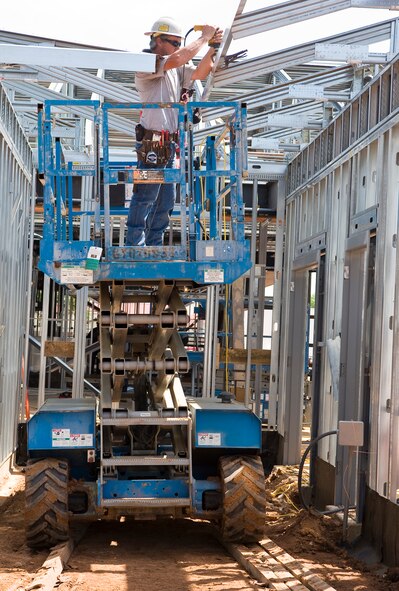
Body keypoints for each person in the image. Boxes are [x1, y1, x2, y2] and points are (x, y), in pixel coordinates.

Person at [126, 17, 223, 247]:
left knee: (166, 202)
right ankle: (135, 246)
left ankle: (153, 246)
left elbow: (199, 73)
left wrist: (211, 48)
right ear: (158, 41)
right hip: (152, 143)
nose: (179, 48)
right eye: (175, 43)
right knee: (146, 197)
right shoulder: (146, 64)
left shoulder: (175, 69)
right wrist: (203, 37)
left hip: (168, 146)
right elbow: (180, 57)